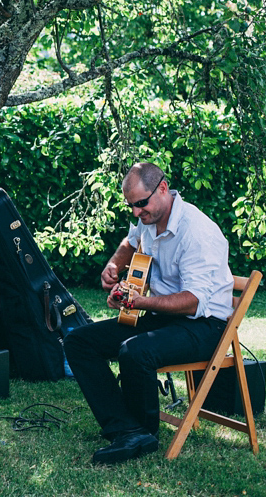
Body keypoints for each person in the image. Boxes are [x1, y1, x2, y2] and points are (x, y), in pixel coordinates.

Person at [63, 162, 235, 464]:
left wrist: (138, 303)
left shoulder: (197, 232)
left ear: (163, 189)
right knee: (78, 341)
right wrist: (114, 266)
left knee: (135, 351)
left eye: (140, 204)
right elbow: (130, 242)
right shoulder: (148, 217)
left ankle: (143, 433)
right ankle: (126, 428)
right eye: (131, 206)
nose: (136, 212)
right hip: (165, 318)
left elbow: (194, 302)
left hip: (205, 327)